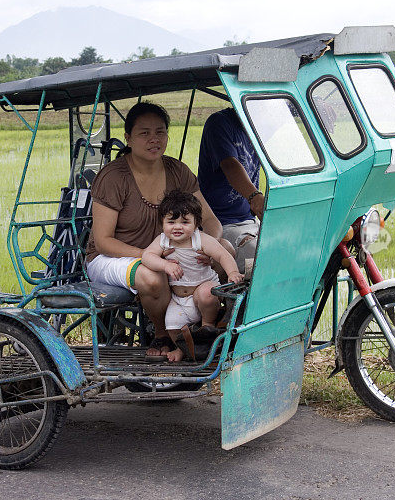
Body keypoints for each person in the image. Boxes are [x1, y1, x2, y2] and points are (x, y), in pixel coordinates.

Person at [86, 102, 223, 360]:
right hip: (112, 259)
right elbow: (103, 242)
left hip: (167, 254)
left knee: (226, 250)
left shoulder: (177, 171)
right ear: (128, 138)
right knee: (153, 276)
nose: (153, 139)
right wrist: (151, 256)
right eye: (144, 133)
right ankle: (160, 334)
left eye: (160, 132)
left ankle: (210, 328)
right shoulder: (114, 177)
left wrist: (210, 249)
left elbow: (213, 223)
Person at [142, 190, 243, 362]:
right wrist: (165, 264)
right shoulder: (163, 241)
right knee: (172, 325)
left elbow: (222, 255)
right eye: (171, 222)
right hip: (179, 298)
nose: (177, 227)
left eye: (185, 222)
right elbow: (147, 256)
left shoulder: (200, 240)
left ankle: (207, 327)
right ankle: (183, 349)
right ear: (162, 223)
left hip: (201, 289)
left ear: (196, 224)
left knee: (207, 293)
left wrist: (232, 272)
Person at [198, 108, 264, 274]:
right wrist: (255, 198)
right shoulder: (219, 123)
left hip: (249, 220)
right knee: (256, 256)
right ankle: (240, 299)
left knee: (285, 249)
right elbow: (229, 164)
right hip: (222, 222)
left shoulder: (263, 123)